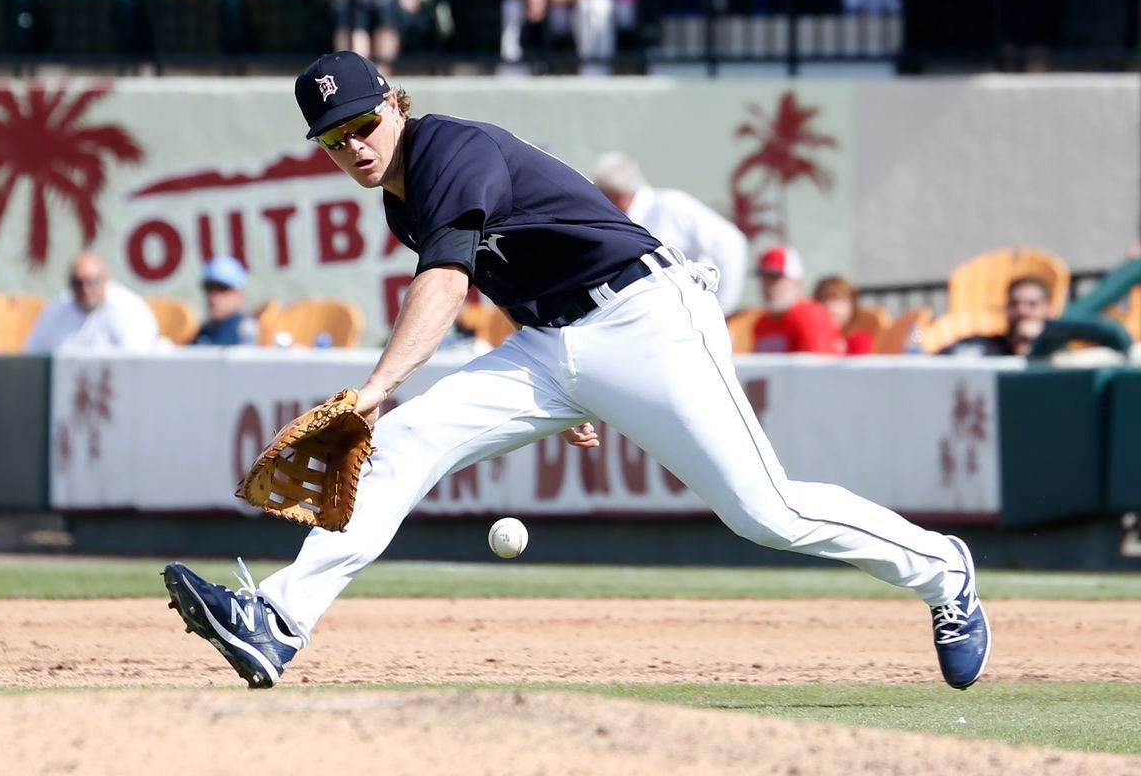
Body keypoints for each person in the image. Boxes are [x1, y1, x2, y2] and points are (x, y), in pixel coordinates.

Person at [162, 51, 989, 693]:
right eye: (334, 139)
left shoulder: (448, 148)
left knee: (764, 511)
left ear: (394, 102)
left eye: (361, 124)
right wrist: (562, 383)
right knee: (405, 444)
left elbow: (447, 284)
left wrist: (374, 390)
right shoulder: (400, 199)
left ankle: (942, 569)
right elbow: (507, 267)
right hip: (554, 344)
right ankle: (277, 618)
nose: (354, 146)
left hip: (646, 319)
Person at [591, 150, 748, 313]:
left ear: (619, 195)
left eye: (602, 196)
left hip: (690, 318)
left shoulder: (671, 206)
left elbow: (731, 243)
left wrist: (722, 309)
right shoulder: (626, 221)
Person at [25, 252, 157, 353]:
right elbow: (35, 351)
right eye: (78, 283)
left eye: (92, 282)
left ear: (106, 279)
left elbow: (137, 359)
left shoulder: (129, 309)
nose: (85, 290)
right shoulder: (57, 308)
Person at [752, 246, 843, 354]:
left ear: (796, 280)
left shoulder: (810, 317)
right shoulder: (762, 323)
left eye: (776, 278)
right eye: (764, 277)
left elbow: (814, 367)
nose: (769, 286)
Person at [942, 276, 1054, 357]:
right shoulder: (986, 348)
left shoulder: (1057, 352)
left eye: (1032, 304)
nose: (1021, 311)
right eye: (1014, 304)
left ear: (1047, 308)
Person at [192, 256, 258, 346]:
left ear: (239, 294)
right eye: (209, 288)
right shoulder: (202, 333)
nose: (214, 297)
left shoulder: (248, 331)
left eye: (222, 289)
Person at [813, 275, 874, 355]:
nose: (831, 306)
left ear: (852, 305)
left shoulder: (859, 341)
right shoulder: (814, 339)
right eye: (824, 299)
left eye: (838, 299)